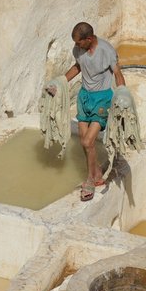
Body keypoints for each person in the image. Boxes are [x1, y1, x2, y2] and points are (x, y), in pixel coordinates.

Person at [51, 22, 126, 201]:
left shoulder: (107, 51)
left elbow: (117, 74)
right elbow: (78, 67)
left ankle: (90, 181)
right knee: (87, 146)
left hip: (102, 99)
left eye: (79, 43)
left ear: (89, 39)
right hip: (84, 97)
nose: (76, 46)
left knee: (86, 141)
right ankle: (97, 175)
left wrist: (123, 96)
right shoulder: (79, 50)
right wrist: (59, 82)